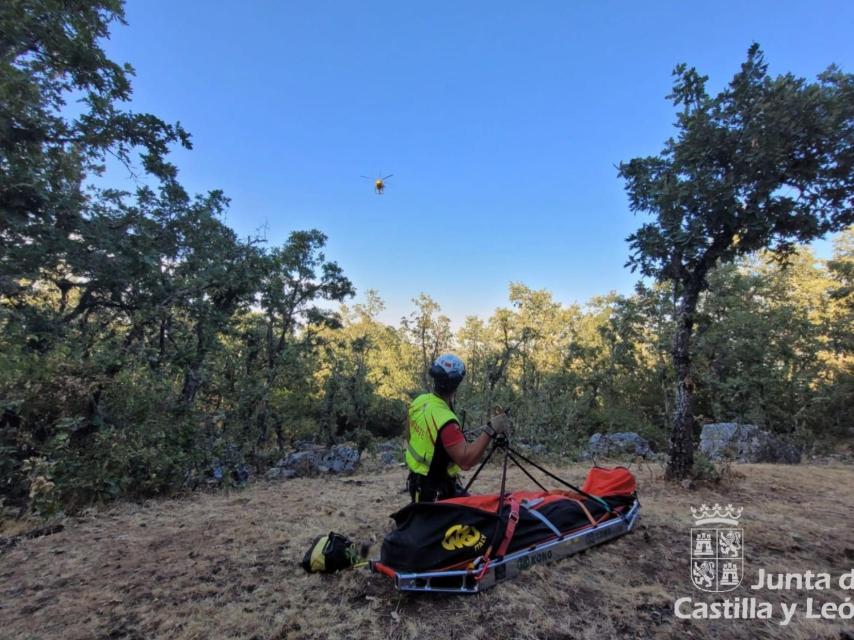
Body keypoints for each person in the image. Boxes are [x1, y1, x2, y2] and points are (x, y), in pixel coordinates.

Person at [404, 353, 511, 502]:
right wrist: (491, 429)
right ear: (457, 384)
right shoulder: (446, 421)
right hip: (436, 492)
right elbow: (466, 460)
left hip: (418, 482)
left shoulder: (419, 401)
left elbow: (409, 435)